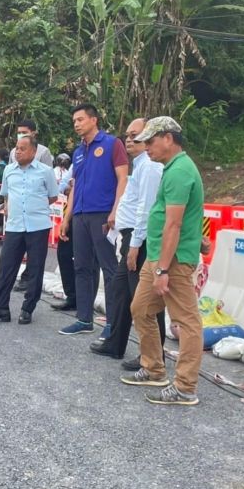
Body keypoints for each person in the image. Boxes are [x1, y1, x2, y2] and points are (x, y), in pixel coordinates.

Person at [120, 116, 205, 406]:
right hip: (158, 255)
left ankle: (185, 386)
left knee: (187, 321)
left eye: (151, 141)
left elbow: (174, 225)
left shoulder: (180, 171)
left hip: (174, 260)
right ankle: (155, 368)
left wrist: (163, 269)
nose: (146, 147)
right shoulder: (170, 169)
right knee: (141, 308)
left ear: (168, 138)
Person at [89, 118, 165, 361]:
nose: (130, 140)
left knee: (145, 300)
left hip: (140, 239)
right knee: (120, 291)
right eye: (127, 136)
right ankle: (115, 343)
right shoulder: (141, 165)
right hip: (130, 236)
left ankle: (153, 355)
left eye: (136, 135)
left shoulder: (151, 167)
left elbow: (146, 208)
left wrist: (134, 246)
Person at [58, 103, 128, 336]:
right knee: (82, 267)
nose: (76, 124)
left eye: (80, 119)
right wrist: (67, 217)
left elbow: (122, 178)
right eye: (74, 121)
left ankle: (111, 323)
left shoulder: (111, 144)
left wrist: (115, 210)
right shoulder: (79, 152)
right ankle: (84, 319)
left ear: (93, 120)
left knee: (108, 268)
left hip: (102, 214)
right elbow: (75, 187)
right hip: (80, 215)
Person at [0, 136, 59, 325]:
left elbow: (53, 196)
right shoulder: (8, 170)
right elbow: (6, 195)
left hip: (37, 227)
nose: (18, 151)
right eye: (16, 148)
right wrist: (10, 207)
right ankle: (0, 308)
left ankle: (27, 308)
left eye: (23, 148)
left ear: (33, 151)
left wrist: (34, 207)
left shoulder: (45, 171)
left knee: (35, 269)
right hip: (14, 226)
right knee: (6, 267)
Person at [51, 166, 76, 311]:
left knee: (87, 261)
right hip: (70, 213)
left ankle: (84, 299)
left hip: (90, 215)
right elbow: (62, 186)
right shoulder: (79, 157)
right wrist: (70, 188)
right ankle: (72, 296)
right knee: (64, 254)